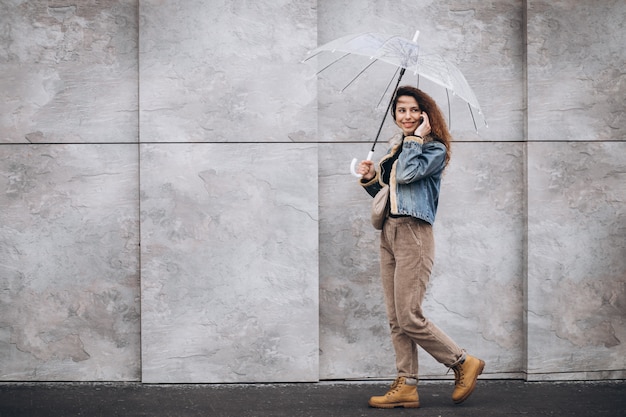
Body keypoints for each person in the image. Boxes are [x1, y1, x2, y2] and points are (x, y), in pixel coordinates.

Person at [357, 85, 485, 409]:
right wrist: (372, 179)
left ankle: (462, 362)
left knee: (410, 316)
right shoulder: (398, 147)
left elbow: (411, 174)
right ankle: (407, 385)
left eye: (414, 110)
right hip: (389, 233)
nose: (408, 116)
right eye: (401, 110)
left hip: (414, 234)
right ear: (395, 114)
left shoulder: (434, 149)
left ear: (426, 113)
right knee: (395, 318)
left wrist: (413, 141)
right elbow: (390, 196)